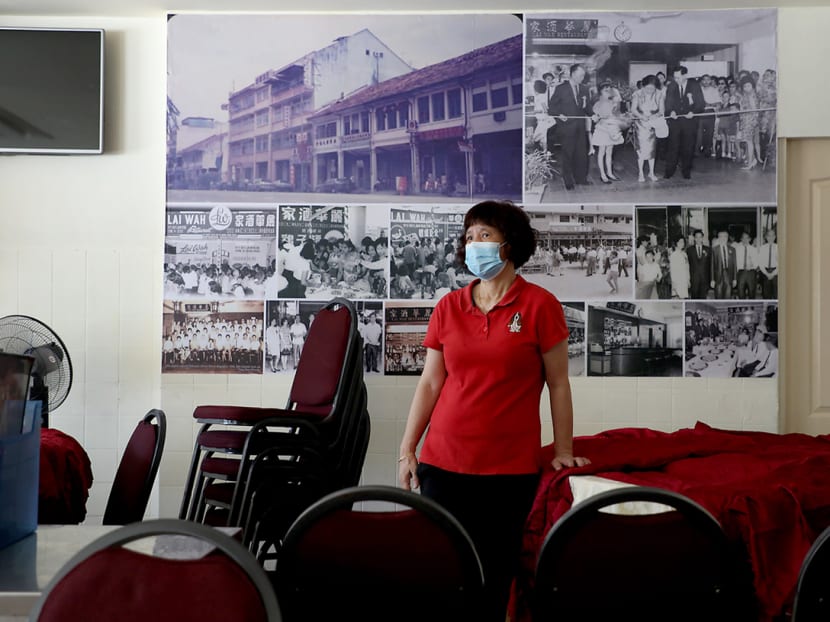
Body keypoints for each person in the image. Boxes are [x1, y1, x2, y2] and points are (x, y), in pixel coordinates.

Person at [397, 200, 589, 622]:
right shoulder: (449, 306)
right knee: (446, 576)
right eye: (468, 237)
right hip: (442, 465)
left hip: (509, 472)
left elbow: (558, 383)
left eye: (484, 235)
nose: (474, 244)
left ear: (509, 244)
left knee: (496, 580)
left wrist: (563, 448)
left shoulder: (541, 305)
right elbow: (431, 383)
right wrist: (408, 449)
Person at [549, 64, 591, 190]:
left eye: (583, 75)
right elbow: (552, 108)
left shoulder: (584, 89)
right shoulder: (561, 88)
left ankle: (581, 179)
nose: (582, 78)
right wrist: (559, 114)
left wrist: (594, 115)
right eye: (580, 75)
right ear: (572, 74)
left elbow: (587, 107)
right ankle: (568, 180)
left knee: (581, 154)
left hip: (580, 126)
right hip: (566, 127)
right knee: (568, 154)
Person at [663, 65, 705, 179]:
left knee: (688, 147)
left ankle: (686, 171)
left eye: (678, 77)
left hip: (690, 122)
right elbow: (667, 104)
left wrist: (693, 112)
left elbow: (701, 104)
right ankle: (669, 171)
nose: (676, 80)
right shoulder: (671, 86)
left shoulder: (695, 86)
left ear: (685, 75)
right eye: (675, 78)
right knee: (672, 147)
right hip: (675, 122)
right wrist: (670, 112)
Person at [630, 74, 666, 182]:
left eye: (652, 88)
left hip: (653, 124)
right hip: (640, 124)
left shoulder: (659, 94)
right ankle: (641, 173)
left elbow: (661, 111)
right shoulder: (637, 94)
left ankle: (651, 172)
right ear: (643, 86)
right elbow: (633, 110)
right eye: (647, 88)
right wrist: (642, 117)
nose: (650, 90)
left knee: (652, 150)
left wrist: (654, 116)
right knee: (641, 150)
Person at [590, 82, 624, 183]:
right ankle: (603, 175)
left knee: (610, 152)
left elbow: (616, 115)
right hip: (602, 130)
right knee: (602, 152)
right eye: (605, 90)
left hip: (611, 129)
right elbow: (595, 119)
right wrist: (597, 117)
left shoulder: (612, 103)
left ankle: (610, 173)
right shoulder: (597, 104)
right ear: (600, 92)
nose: (608, 92)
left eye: (609, 90)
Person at [737, 77, 761, 170]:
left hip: (750, 120)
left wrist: (754, 120)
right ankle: (753, 159)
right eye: (745, 86)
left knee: (749, 142)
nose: (746, 88)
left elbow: (755, 110)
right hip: (745, 119)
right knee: (748, 141)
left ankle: (750, 163)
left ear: (752, 86)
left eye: (748, 86)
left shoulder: (752, 96)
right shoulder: (744, 95)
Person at [710, 228, 737, 299]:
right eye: (721, 236)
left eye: (725, 236)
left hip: (729, 276)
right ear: (718, 238)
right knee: (718, 296)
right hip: (718, 277)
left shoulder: (732, 249)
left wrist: (735, 279)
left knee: (728, 296)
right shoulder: (714, 249)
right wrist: (712, 279)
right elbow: (712, 265)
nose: (723, 238)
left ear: (727, 238)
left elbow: (735, 265)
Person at [734, 231, 759, 299]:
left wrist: (752, 265)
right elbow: (734, 262)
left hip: (751, 273)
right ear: (741, 239)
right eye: (743, 238)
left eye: (747, 238)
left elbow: (757, 263)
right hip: (740, 273)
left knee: (752, 292)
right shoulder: (737, 249)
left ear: (750, 239)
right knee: (740, 292)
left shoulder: (754, 249)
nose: (745, 240)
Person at [687, 229, 711, 299]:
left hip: (705, 280)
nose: (698, 239)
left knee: (703, 298)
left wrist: (710, 280)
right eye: (696, 237)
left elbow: (710, 266)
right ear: (694, 238)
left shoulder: (708, 250)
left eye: (700, 237)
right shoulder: (689, 250)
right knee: (694, 298)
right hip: (694, 280)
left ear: (702, 238)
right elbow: (687, 265)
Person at [758, 228, 778, 298]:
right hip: (765, 272)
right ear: (766, 237)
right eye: (769, 236)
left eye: (772, 235)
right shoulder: (762, 248)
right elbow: (760, 263)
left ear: (775, 237)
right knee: (766, 295)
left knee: (777, 295)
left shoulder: (779, 248)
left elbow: (781, 264)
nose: (771, 237)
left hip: (776, 273)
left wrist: (773, 273)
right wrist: (766, 273)